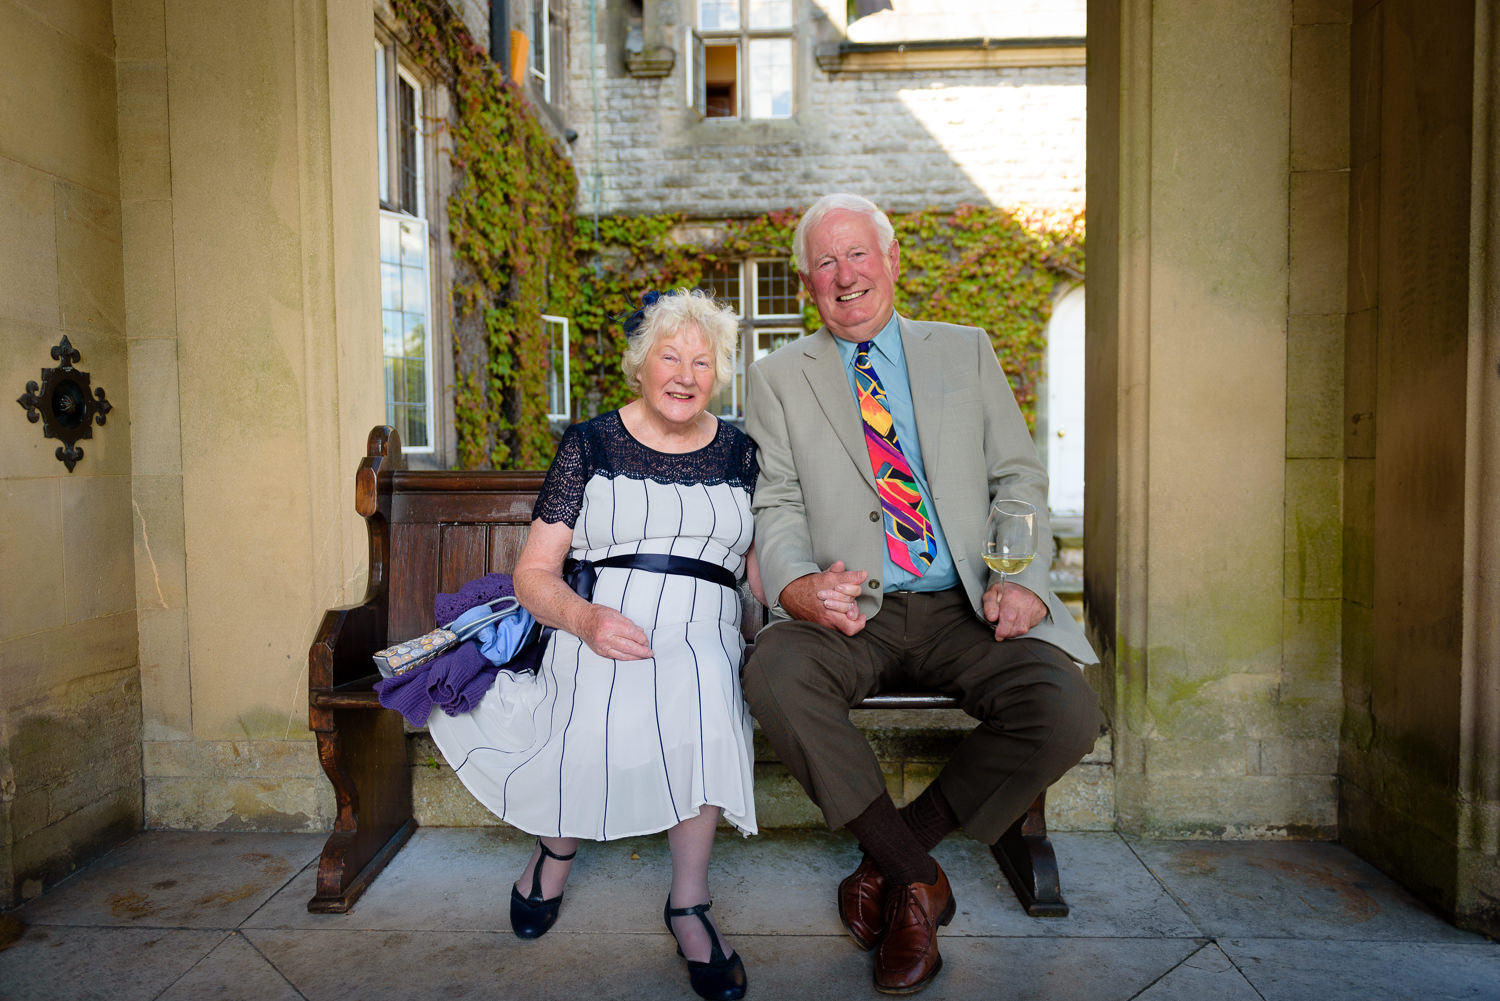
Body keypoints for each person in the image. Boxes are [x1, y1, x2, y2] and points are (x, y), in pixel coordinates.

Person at [742, 193, 1103, 995]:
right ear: (806, 282)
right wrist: (800, 586)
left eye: (859, 254)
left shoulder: (964, 351)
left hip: (963, 603)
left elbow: (1019, 478)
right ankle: (918, 882)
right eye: (826, 263)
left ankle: (888, 862)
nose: (846, 276)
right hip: (852, 610)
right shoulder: (776, 377)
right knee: (771, 673)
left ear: (893, 259)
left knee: (1069, 709)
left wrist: (1020, 581)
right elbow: (778, 501)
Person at [425, 289, 761, 1001]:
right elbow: (532, 573)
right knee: (604, 685)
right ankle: (557, 845)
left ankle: (689, 903)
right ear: (641, 363)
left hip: (704, 634)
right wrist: (584, 622)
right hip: (597, 624)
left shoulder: (742, 452)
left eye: (703, 361)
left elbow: (760, 568)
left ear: (718, 374)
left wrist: (807, 588)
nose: (685, 372)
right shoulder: (591, 444)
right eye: (670, 355)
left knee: (702, 678)